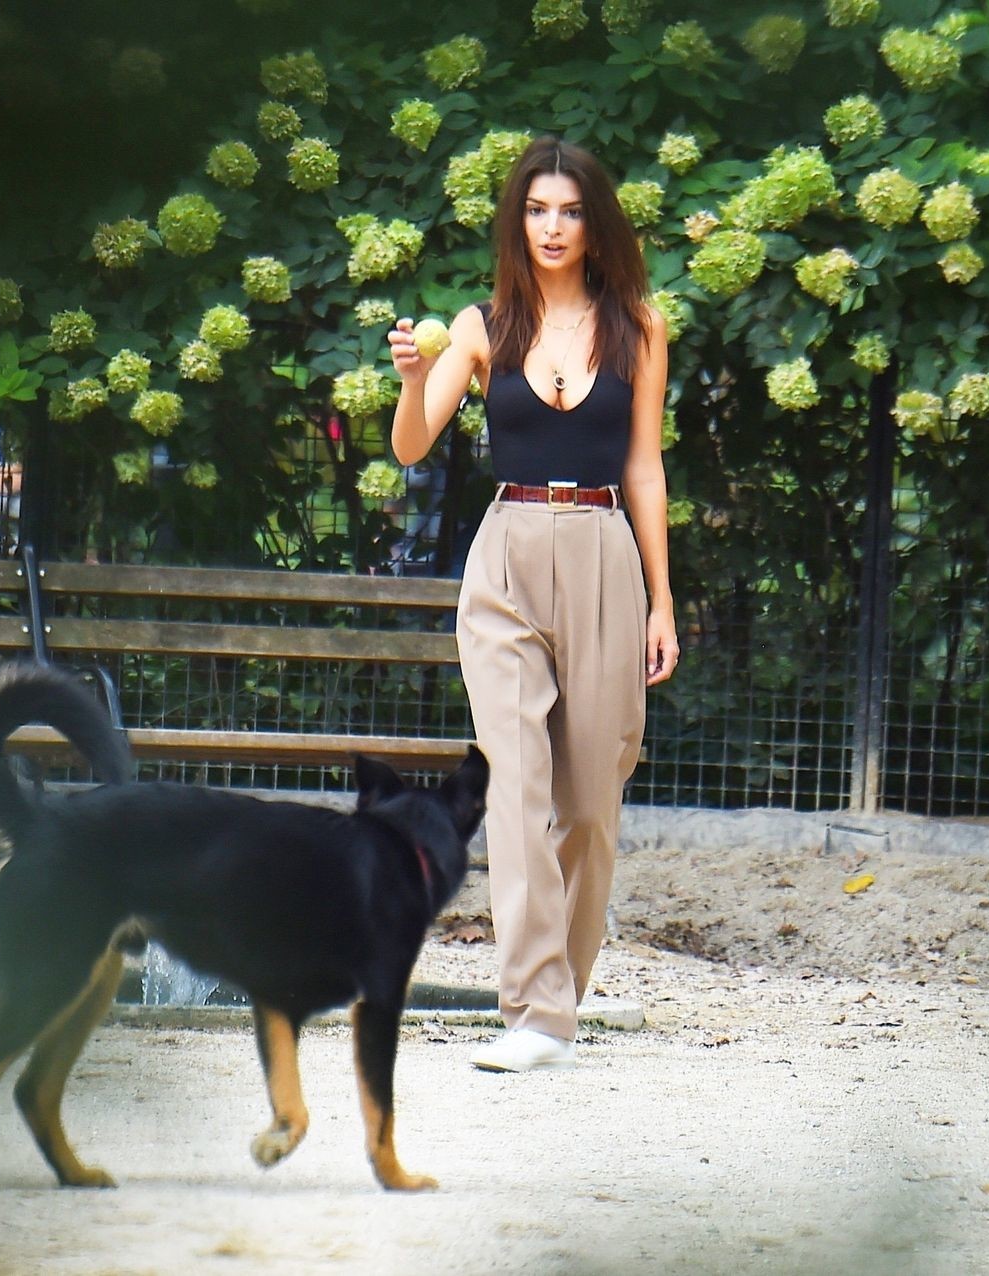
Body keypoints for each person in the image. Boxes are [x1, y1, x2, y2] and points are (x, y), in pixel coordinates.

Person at [388, 135, 679, 1073]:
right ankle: (537, 1014)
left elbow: (644, 467)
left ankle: (561, 995)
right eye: (536, 210)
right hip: (506, 557)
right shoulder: (483, 327)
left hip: (603, 550)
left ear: (596, 224)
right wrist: (411, 381)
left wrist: (662, 603)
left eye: (571, 211)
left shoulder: (640, 326)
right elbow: (409, 445)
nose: (552, 227)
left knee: (589, 805)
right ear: (517, 221)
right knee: (515, 788)